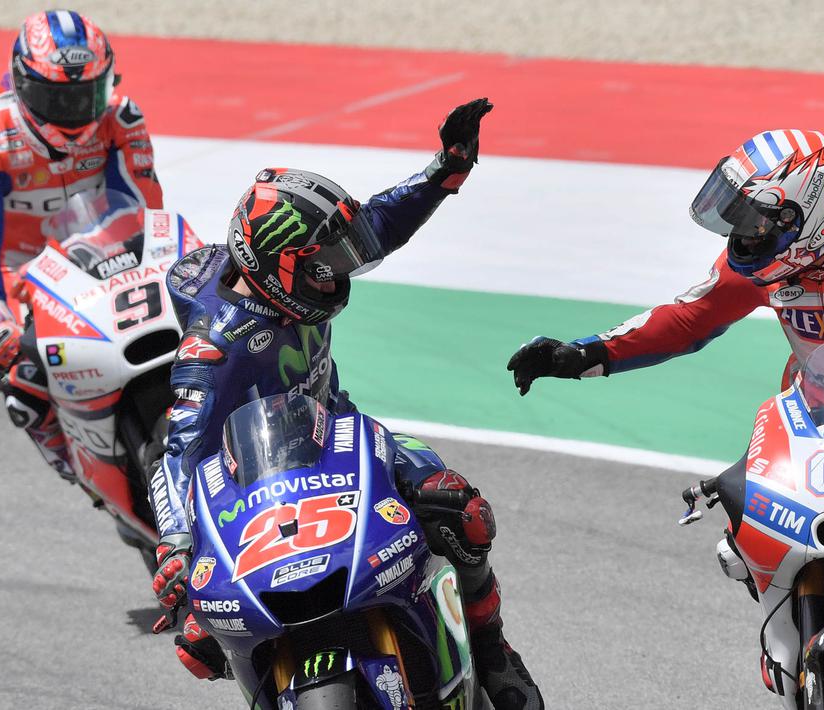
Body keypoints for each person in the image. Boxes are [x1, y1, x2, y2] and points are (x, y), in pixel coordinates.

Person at [507, 130, 824, 709]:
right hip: (817, 418)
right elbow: (686, 318)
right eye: (737, 219)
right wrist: (584, 354)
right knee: (744, 530)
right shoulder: (767, 264)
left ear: (812, 210)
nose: (744, 235)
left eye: (756, 219)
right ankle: (792, 630)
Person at [148, 98, 544, 709]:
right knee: (198, 638)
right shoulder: (216, 350)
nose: (339, 275)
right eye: (324, 265)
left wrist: (445, 172)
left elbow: (376, 226)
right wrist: (175, 545)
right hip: (252, 481)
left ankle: (493, 650)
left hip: (339, 433)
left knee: (461, 510)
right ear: (277, 265)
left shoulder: (287, 282)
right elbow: (176, 455)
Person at [0, 9, 163, 479]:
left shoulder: (121, 118)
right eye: (57, 98)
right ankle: (86, 474)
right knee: (25, 391)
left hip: (111, 265)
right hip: (29, 286)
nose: (76, 112)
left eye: (88, 95)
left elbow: (150, 213)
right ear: (21, 83)